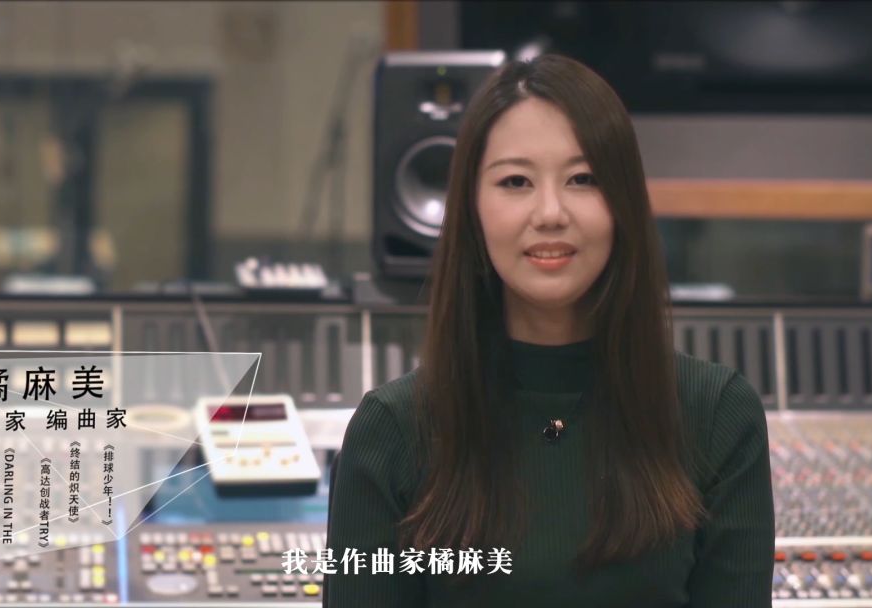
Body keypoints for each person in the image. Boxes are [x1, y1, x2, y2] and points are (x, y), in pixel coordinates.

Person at [324, 54, 774, 607]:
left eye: (583, 179)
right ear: (471, 207)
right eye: (515, 181)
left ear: (624, 203)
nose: (550, 212)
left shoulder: (719, 415)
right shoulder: (390, 432)